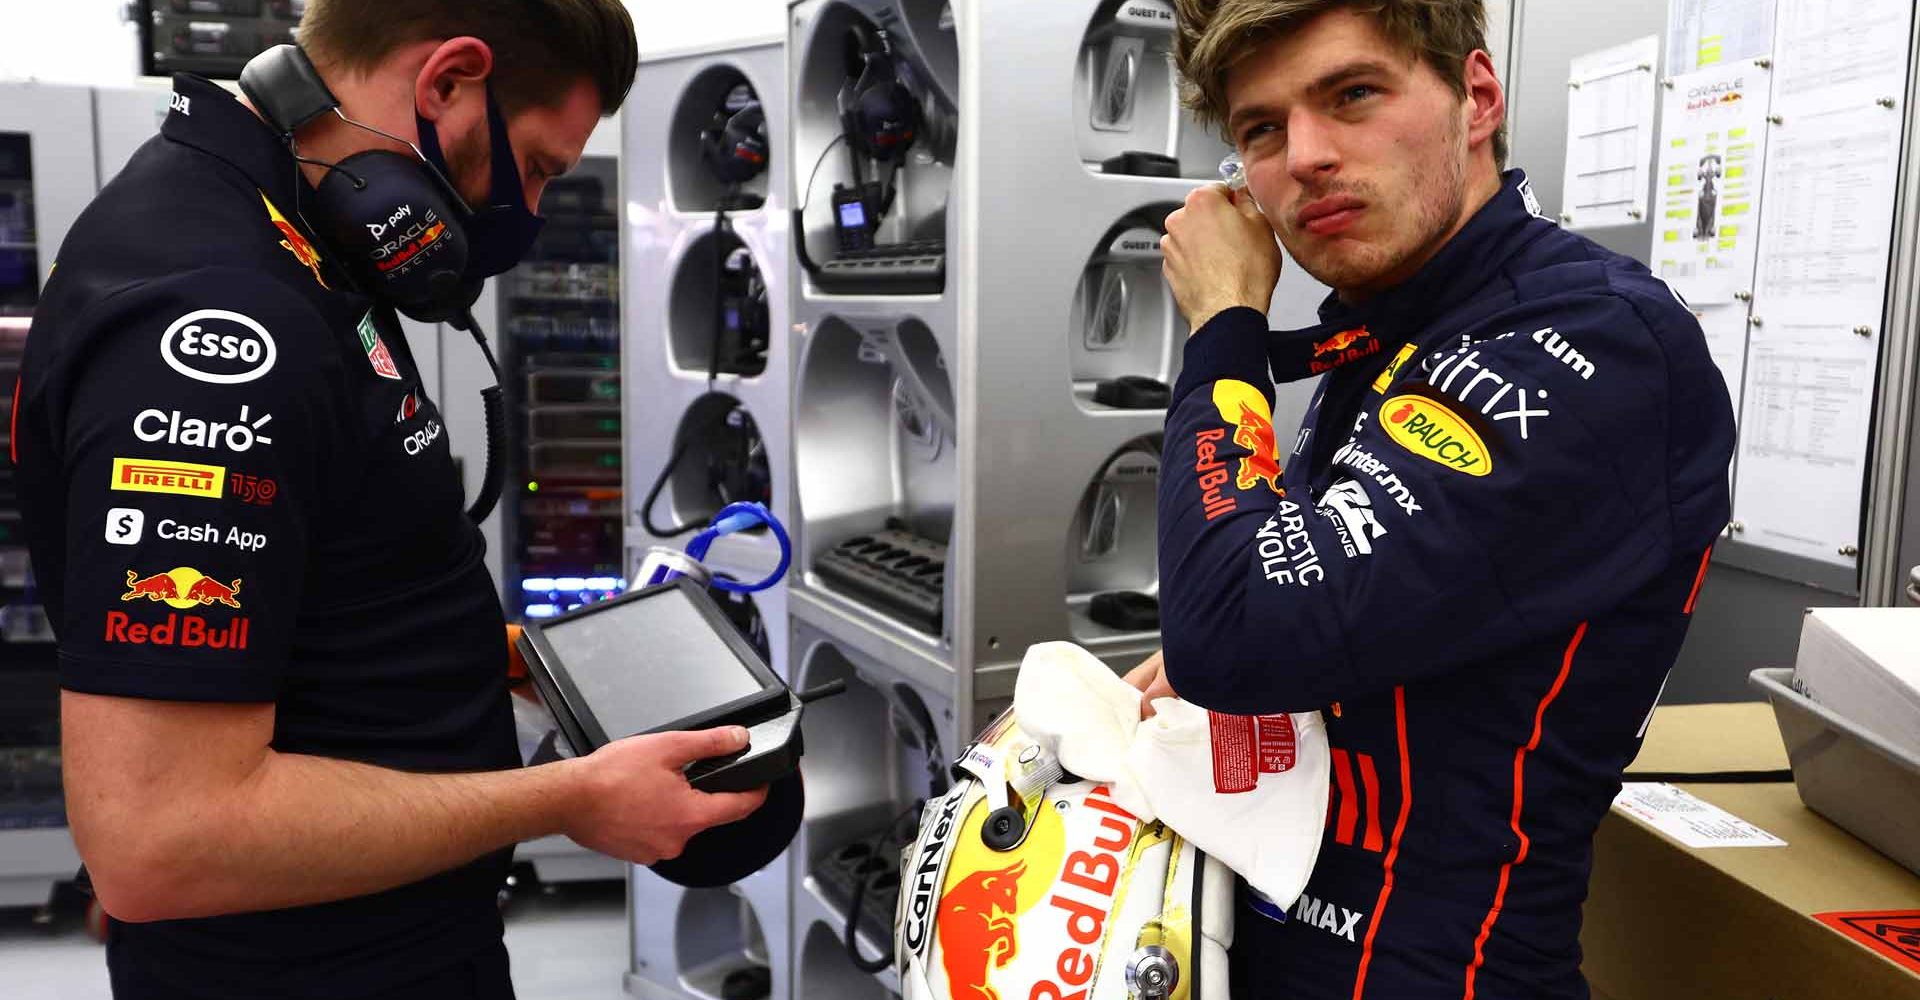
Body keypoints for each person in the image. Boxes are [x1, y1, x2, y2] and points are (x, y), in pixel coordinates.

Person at [10, 3, 768, 997]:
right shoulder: (219, 316)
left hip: (405, 935)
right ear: (447, 81)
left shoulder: (294, 223)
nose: (528, 211)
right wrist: (564, 799)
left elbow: (316, 583)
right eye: (536, 166)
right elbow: (162, 839)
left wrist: (503, 657)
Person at [1126, 0, 1735, 997]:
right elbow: (1333, 617)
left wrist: (1227, 325)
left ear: (1477, 97)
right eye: (1262, 129)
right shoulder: (1393, 334)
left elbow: (1235, 629)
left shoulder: (1594, 339)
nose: (1307, 156)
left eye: (1352, 94)